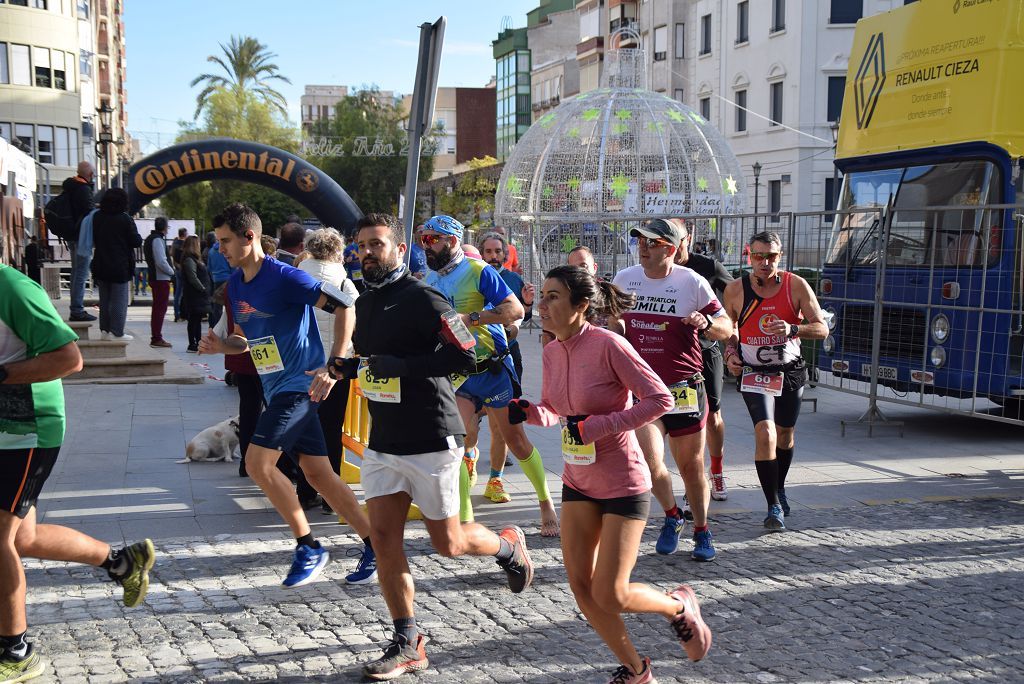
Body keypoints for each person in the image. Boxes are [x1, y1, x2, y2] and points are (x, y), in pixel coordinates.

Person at [327, 213, 533, 681]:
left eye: (377, 244)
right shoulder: (367, 302)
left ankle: (506, 547)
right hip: (384, 441)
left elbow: (463, 354)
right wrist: (345, 369)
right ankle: (408, 640)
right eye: (361, 245)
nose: (367, 252)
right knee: (384, 541)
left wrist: (398, 367)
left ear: (400, 250)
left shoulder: (424, 297)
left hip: (432, 438)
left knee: (450, 543)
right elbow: (374, 362)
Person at [509, 265, 711, 682]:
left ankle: (677, 606)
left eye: (552, 297)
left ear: (581, 306)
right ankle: (637, 671)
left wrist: (599, 425)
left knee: (611, 593)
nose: (541, 305)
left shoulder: (608, 345)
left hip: (623, 483)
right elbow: (558, 410)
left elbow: (659, 399)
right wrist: (532, 412)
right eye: (541, 296)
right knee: (583, 591)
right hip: (578, 481)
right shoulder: (549, 350)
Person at [198, 203, 376, 586]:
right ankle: (375, 543)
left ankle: (309, 546)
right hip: (274, 386)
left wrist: (335, 365)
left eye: (226, 241)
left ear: (250, 237)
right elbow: (244, 342)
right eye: (217, 242)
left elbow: (346, 306)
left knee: (259, 464)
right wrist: (220, 346)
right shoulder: (237, 284)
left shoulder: (284, 276)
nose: (220, 249)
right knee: (320, 474)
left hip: (300, 386)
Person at [0, 264, 155, 683]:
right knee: (22, 538)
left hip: (27, 429)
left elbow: (70, 359)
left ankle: (16, 652)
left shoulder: (11, 287)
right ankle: (123, 562)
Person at [422, 215, 559, 537]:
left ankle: (546, 503)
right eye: (422, 240)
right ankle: (466, 518)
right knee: (455, 444)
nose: (425, 246)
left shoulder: (478, 271)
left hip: (493, 368)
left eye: (432, 239)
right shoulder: (428, 277)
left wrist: (471, 318)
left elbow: (516, 311)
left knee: (517, 441)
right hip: (458, 374)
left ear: (452, 241)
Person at [609, 218, 731, 561]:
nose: (643, 248)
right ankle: (673, 515)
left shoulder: (691, 282)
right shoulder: (626, 279)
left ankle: (702, 529)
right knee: (649, 461)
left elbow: (726, 326)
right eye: (640, 242)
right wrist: (616, 328)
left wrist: (707, 322)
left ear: (672, 248)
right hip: (644, 390)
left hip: (684, 388)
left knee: (691, 467)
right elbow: (615, 321)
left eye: (652, 242)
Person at [722, 231, 828, 531]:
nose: (765, 262)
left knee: (785, 434)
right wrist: (731, 353)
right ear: (748, 256)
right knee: (765, 432)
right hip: (754, 371)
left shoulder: (796, 285)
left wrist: (794, 329)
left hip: (789, 370)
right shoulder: (735, 290)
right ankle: (772, 505)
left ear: (779, 257)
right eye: (758, 256)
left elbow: (822, 329)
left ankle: (778, 487)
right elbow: (728, 329)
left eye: (771, 256)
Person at [296, 227, 359, 514]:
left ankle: (305, 489)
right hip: (336, 365)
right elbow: (356, 320)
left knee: (301, 426)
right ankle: (330, 496)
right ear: (338, 252)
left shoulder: (295, 277)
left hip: (299, 363)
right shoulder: (345, 282)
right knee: (331, 429)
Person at [674, 221, 735, 502]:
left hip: (706, 348)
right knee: (681, 421)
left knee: (712, 416)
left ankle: (717, 469)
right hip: (673, 353)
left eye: (678, 240)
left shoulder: (707, 267)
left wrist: (732, 335)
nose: (672, 247)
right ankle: (691, 478)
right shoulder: (654, 270)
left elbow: (735, 293)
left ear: (689, 238)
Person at [477, 231, 536, 504]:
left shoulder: (512, 279)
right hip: (472, 359)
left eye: (497, 251)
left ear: (505, 254)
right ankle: (467, 459)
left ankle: (495, 477)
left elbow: (526, 314)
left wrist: (527, 304)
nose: (493, 256)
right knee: (469, 425)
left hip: (507, 357)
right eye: (488, 251)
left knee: (500, 423)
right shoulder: (473, 276)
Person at [89, 188, 143, 342]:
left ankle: (105, 331)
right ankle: (117, 332)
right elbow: (136, 241)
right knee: (119, 300)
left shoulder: (97, 217)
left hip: (100, 263)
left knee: (104, 300)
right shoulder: (124, 219)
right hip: (119, 265)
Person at [66, 161, 97, 322]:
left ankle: (75, 308)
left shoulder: (70, 186)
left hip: (71, 235)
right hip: (81, 236)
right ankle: (77, 310)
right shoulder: (83, 189)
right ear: (90, 175)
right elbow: (89, 211)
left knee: (75, 272)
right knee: (81, 274)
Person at [143, 217, 175, 348]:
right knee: (159, 309)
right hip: (160, 278)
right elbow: (161, 261)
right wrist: (172, 272)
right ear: (164, 227)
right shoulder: (157, 239)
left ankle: (156, 336)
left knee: (158, 308)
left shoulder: (152, 238)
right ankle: (156, 337)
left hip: (157, 277)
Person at [180, 235, 212, 353]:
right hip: (195, 295)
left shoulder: (194, 259)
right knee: (193, 319)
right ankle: (192, 343)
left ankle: (198, 342)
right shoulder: (189, 260)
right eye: (197, 244)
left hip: (198, 295)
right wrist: (202, 288)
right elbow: (192, 277)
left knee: (196, 319)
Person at [205, 217, 233, 330]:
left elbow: (209, 267)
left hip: (216, 279)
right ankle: (226, 327)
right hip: (227, 278)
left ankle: (216, 327)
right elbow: (231, 265)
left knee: (217, 306)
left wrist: (213, 277)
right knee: (229, 305)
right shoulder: (226, 249)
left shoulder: (211, 251)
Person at [171, 227, 188, 322]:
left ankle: (176, 313)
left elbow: (172, 255)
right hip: (184, 270)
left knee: (177, 293)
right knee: (184, 293)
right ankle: (184, 313)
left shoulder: (175, 244)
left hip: (177, 269)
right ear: (185, 234)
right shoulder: (185, 245)